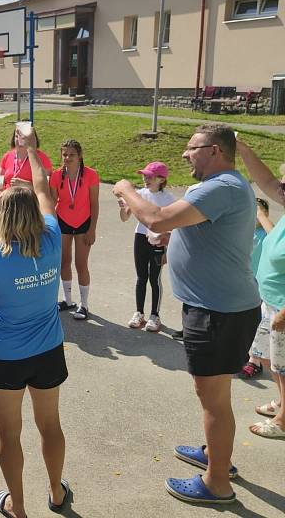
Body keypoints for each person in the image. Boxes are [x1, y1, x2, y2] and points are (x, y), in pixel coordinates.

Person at [113, 124, 261, 505]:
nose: (184, 155)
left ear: (214, 150)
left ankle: (217, 483)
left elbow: (157, 219)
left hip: (218, 311)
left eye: (191, 148)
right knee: (215, 395)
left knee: (212, 397)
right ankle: (216, 455)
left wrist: (128, 189)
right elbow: (190, 227)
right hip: (219, 307)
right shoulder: (224, 186)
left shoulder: (222, 185)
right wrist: (176, 235)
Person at [0, 126, 70, 518]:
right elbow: (43, 188)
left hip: (6, 354)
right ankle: (57, 492)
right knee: (50, 426)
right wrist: (30, 151)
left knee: (9, 434)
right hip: (48, 350)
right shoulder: (53, 237)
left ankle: (19, 506)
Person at [235, 138, 285, 439]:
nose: (280, 188)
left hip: (283, 307)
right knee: (275, 363)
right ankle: (282, 402)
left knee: (283, 364)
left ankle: (283, 421)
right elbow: (264, 178)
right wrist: (241, 147)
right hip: (272, 300)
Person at [120, 162, 176, 333]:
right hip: (140, 237)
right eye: (144, 175)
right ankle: (139, 313)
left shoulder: (169, 199)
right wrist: (123, 208)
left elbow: (174, 223)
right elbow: (124, 217)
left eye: (149, 176)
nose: (145, 179)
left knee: (154, 278)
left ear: (161, 179)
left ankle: (154, 315)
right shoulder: (138, 194)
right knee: (141, 277)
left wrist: (167, 243)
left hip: (159, 239)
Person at [50, 140, 100, 320]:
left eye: (71, 154)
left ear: (80, 156)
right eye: (64, 154)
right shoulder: (56, 176)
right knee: (64, 261)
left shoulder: (91, 175)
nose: (67, 158)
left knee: (81, 264)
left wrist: (92, 229)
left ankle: (84, 304)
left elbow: (94, 204)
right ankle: (68, 299)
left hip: (83, 223)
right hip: (62, 221)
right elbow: (51, 201)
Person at [237, 197, 274, 379]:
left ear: (265, 214)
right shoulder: (243, 231)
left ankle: (255, 361)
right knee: (244, 319)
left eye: (258, 212)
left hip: (261, 284)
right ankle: (245, 353)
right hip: (243, 281)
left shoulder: (267, 233)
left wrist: (262, 216)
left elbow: (274, 235)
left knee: (259, 322)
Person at [0, 123, 53, 191]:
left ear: (32, 139)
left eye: (23, 137)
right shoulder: (7, 156)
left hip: (30, 200)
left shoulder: (42, 158)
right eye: (16, 136)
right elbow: (1, 183)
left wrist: (25, 184)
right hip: (9, 199)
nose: (19, 140)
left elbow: (46, 189)